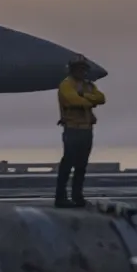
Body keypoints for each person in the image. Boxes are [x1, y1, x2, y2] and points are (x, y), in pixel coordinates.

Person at [55, 56, 106, 208]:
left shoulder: (87, 86)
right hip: (72, 129)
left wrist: (84, 96)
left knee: (81, 165)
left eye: (84, 69)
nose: (82, 71)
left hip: (86, 129)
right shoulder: (66, 85)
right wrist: (89, 100)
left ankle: (78, 196)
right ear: (73, 69)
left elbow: (101, 98)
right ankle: (60, 198)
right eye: (79, 68)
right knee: (68, 163)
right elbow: (73, 101)